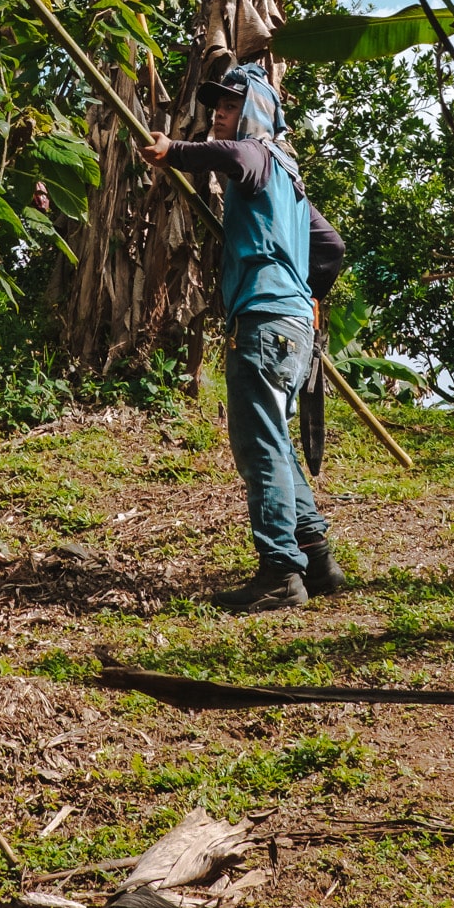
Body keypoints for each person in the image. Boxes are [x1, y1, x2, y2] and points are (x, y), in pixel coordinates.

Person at [142, 62, 347, 614]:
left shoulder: (257, 155)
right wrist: (303, 294)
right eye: (217, 106)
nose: (218, 115)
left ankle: (281, 572)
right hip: (292, 325)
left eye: (230, 106)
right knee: (274, 440)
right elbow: (329, 250)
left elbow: (234, 157)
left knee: (258, 445)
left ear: (256, 111)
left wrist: (174, 153)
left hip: (262, 321)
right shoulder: (291, 181)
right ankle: (315, 555)